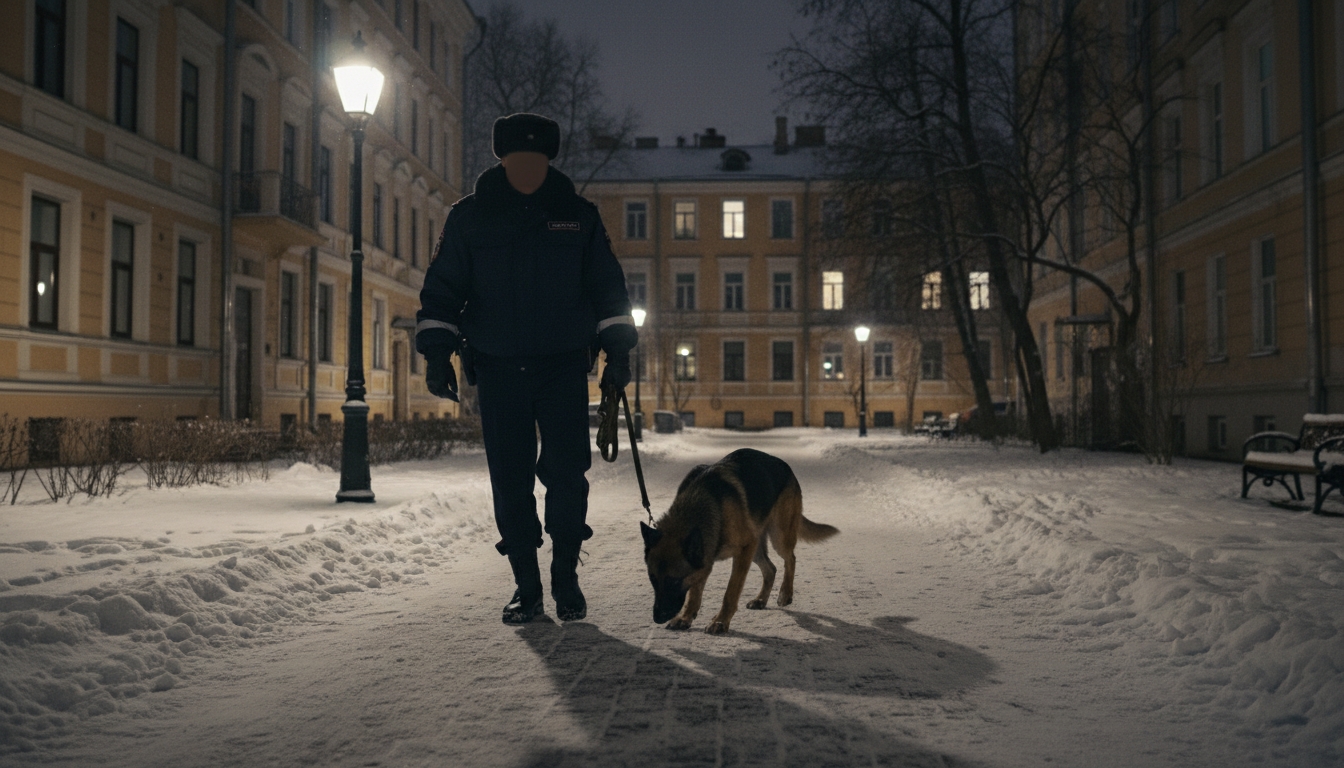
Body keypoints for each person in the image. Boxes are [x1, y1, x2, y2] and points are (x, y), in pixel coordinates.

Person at [416, 113, 637, 624]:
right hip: (497, 369)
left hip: (563, 368)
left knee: (568, 476)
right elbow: (443, 289)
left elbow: (609, 289)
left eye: (536, 162)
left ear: (548, 162)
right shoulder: (469, 219)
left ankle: (565, 578)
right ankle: (526, 586)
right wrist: (436, 354)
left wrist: (619, 353)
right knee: (510, 480)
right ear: (503, 161)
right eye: (518, 162)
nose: (527, 171)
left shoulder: (578, 217)